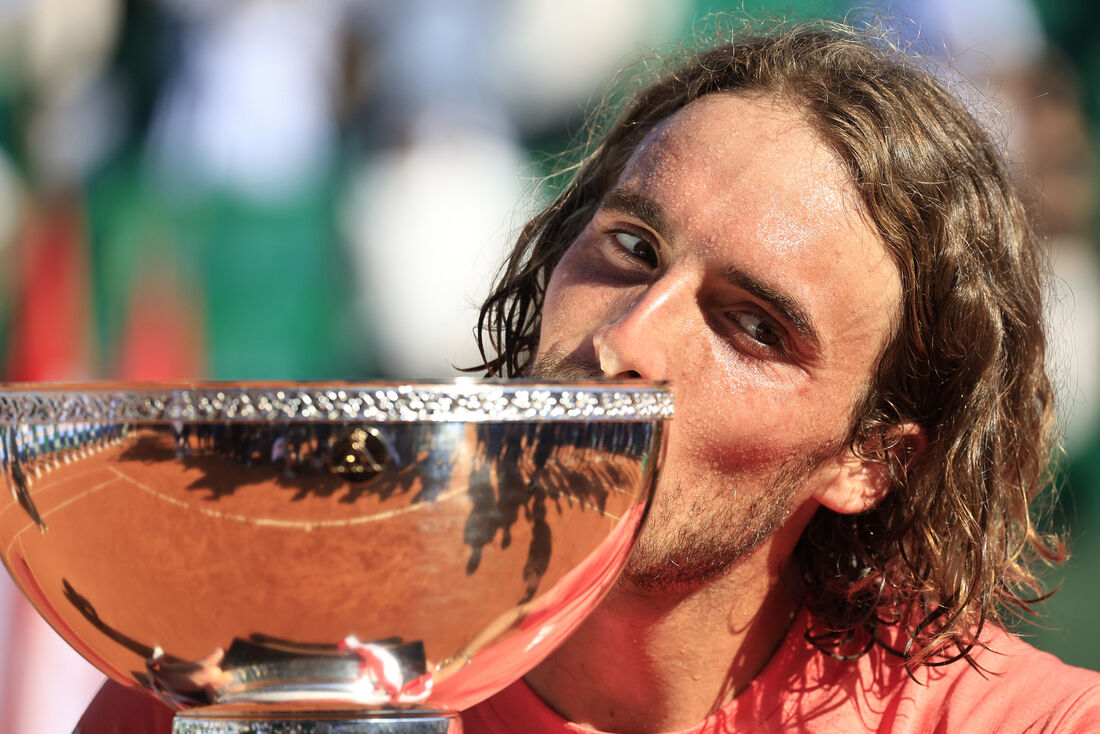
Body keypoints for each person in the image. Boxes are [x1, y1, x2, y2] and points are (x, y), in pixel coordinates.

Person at [78, 21, 1100, 733]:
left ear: (869, 459)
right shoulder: (255, 669)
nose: (628, 338)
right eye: (628, 245)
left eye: (750, 325)